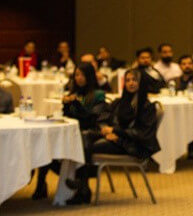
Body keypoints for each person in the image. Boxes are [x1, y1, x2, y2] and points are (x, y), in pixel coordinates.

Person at [66, 69, 160, 204]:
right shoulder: (120, 101)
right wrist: (106, 130)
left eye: (134, 80)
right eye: (127, 80)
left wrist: (117, 133)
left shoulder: (146, 106)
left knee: (90, 146)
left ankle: (83, 187)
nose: (131, 83)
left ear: (141, 83)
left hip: (133, 145)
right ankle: (83, 186)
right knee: (84, 135)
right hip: (117, 138)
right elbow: (103, 117)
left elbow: (142, 133)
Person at [33, 63, 108, 200]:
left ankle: (83, 186)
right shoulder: (74, 94)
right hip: (71, 131)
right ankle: (40, 183)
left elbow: (91, 118)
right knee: (46, 140)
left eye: (83, 75)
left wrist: (75, 103)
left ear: (89, 77)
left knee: (82, 137)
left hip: (89, 131)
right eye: (77, 75)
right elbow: (67, 116)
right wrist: (66, 105)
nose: (79, 78)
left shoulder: (98, 95)